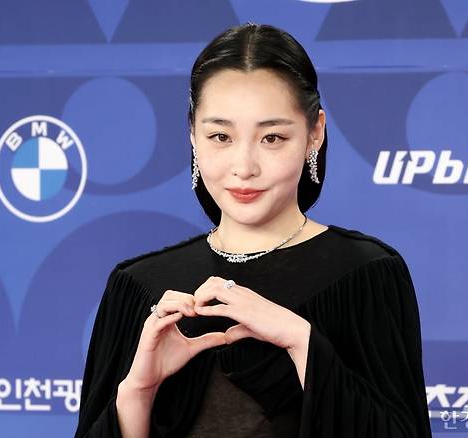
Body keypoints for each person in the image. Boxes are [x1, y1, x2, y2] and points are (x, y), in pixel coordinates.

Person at [74, 22, 432, 438]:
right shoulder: (138, 286)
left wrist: (301, 341)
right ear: (192, 134)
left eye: (272, 138)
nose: (244, 167)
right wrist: (138, 392)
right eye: (220, 136)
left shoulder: (366, 274)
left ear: (315, 133)